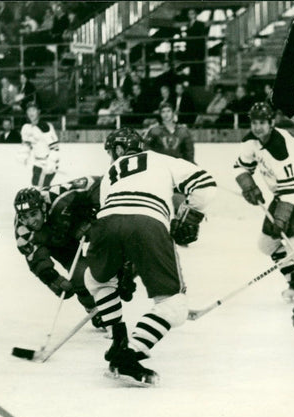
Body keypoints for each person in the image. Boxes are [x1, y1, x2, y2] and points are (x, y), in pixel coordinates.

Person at [85, 127, 217, 386]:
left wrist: (122, 267)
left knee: (96, 280)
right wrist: (192, 214)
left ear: (120, 150)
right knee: (174, 306)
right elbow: (206, 185)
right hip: (149, 223)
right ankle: (131, 351)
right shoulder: (159, 158)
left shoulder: (109, 174)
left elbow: (115, 212)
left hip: (106, 224)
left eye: (112, 151)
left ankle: (118, 338)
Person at [233, 101, 294, 303]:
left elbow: (291, 191)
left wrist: (281, 219)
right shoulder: (250, 141)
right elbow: (240, 167)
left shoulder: (280, 146)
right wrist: (249, 186)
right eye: (254, 122)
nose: (258, 127)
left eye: (262, 123)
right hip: (283, 193)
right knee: (267, 244)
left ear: (271, 122)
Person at [14, 177, 130, 327]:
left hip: (78, 224)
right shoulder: (22, 232)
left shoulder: (57, 195)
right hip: (59, 244)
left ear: (43, 207)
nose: (30, 222)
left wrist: (96, 208)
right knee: (80, 277)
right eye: (25, 217)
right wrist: (53, 280)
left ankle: (123, 268)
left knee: (108, 242)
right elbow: (36, 260)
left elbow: (96, 183)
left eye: (33, 214)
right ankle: (94, 310)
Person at [20, 103, 60, 189]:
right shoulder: (26, 128)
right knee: (36, 188)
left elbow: (55, 147)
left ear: (38, 112)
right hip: (37, 163)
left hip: (48, 163)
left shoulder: (45, 126)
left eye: (33, 110)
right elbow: (27, 144)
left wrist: (52, 162)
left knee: (40, 190)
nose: (31, 113)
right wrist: (24, 156)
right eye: (29, 110)